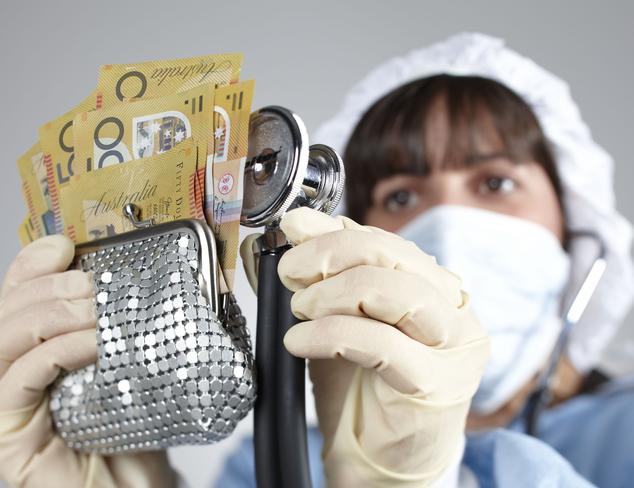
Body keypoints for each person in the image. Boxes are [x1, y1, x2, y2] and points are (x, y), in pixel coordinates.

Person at [214, 33, 634, 487]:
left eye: (496, 184)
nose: (447, 223)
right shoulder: (267, 463)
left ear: (575, 225)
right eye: (400, 196)